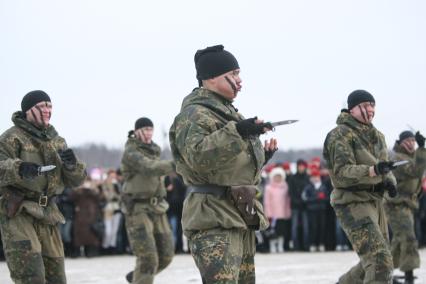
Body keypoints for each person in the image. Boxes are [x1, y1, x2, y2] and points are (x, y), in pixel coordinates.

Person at [169, 44, 277, 283]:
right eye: (234, 74)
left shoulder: (227, 113)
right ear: (210, 78)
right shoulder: (194, 114)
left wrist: (261, 157)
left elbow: (229, 166)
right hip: (213, 217)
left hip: (239, 213)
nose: (239, 80)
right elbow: (198, 158)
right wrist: (238, 131)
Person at [0, 90, 86, 283]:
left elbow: (77, 180)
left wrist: (73, 166)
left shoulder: (56, 141)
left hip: (48, 214)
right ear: (29, 110)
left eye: (49, 106)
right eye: (42, 106)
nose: (47, 110)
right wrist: (19, 168)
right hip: (20, 212)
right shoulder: (11, 138)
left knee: (57, 278)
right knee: (32, 276)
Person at [323, 90, 397, 284]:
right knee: (379, 260)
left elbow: (385, 166)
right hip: (353, 201)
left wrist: (389, 181)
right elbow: (342, 173)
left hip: (376, 202)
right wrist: (371, 171)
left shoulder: (377, 136)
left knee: (378, 259)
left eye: (372, 105)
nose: (369, 110)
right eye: (364, 105)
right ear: (351, 109)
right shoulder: (340, 134)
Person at [121, 117, 175, 284]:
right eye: (145, 130)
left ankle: (139, 277)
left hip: (158, 207)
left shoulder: (155, 150)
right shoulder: (131, 152)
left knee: (166, 256)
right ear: (136, 131)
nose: (148, 133)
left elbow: (155, 171)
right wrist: (177, 163)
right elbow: (148, 167)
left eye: (150, 130)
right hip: (138, 209)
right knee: (148, 258)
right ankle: (142, 277)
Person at [384, 131, 426, 284]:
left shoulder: (412, 157)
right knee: (408, 238)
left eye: (414, 141)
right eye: (407, 141)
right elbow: (415, 171)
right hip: (396, 205)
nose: (411, 143)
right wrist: (422, 149)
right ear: (400, 143)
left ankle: (382, 272)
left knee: (397, 241)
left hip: (407, 204)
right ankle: (409, 276)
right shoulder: (397, 158)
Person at [263, 167, 291, 253]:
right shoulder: (268, 188)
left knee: (281, 232)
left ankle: (280, 246)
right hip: (272, 215)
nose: (278, 178)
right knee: (272, 232)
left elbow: (287, 200)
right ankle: (272, 247)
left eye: (279, 176)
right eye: (276, 176)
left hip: (282, 214)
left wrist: (287, 212)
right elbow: (266, 201)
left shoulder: (285, 186)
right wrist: (268, 213)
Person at [302, 168, 328, 252]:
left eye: (316, 176)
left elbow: (327, 198)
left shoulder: (323, 187)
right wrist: (316, 198)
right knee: (313, 227)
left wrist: (322, 199)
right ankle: (312, 244)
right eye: (313, 176)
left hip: (322, 210)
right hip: (312, 210)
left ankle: (321, 243)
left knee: (322, 227)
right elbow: (305, 198)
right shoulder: (308, 187)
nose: (315, 178)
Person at [288, 159, 310, 251]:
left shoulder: (307, 178)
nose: (301, 168)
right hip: (295, 206)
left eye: (302, 166)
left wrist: (305, 201)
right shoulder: (292, 178)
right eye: (299, 166)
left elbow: (309, 191)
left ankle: (306, 245)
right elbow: (291, 192)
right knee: (294, 227)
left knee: (306, 227)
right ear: (297, 167)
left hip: (305, 206)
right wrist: (297, 201)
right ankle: (296, 246)